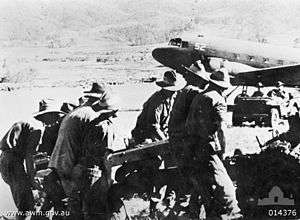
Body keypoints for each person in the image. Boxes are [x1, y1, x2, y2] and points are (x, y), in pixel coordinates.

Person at [48, 83, 118, 220]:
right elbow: (105, 155)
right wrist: (109, 180)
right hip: (83, 170)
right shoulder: (96, 118)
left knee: (75, 210)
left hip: (63, 166)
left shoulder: (75, 113)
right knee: (93, 212)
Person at [185, 68, 242, 219]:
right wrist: (222, 151)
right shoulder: (217, 100)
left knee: (203, 187)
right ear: (223, 87)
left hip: (193, 147)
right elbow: (221, 129)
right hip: (207, 148)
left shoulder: (200, 96)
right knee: (227, 188)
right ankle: (233, 215)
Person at [0, 100, 66, 220]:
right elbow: (29, 156)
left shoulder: (32, 124)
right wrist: (32, 178)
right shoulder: (37, 130)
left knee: (25, 200)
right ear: (47, 115)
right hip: (13, 162)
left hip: (7, 161)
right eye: (55, 116)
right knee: (26, 203)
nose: (56, 120)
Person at [131, 70, 186, 144]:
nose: (175, 93)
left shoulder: (171, 99)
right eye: (172, 91)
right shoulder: (157, 101)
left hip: (159, 134)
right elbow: (153, 126)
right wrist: (165, 141)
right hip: (145, 137)